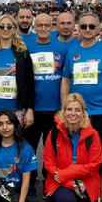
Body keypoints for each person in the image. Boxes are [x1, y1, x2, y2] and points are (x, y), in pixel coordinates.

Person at [61, 13, 102, 200]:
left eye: (91, 26)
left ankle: (97, 195)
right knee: (76, 153)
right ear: (78, 28)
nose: (87, 30)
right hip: (75, 114)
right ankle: (77, 190)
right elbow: (65, 81)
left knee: (98, 156)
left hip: (100, 112)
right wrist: (64, 109)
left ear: (97, 30)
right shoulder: (72, 52)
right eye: (84, 26)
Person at [43, 93, 102, 202]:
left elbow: (94, 165)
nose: (73, 113)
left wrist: (68, 173)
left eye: (77, 110)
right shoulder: (54, 133)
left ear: (83, 113)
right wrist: (65, 178)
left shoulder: (93, 135)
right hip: (61, 182)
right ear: (63, 112)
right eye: (69, 109)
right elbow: (48, 162)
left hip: (85, 184)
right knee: (66, 200)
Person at [23, 13, 69, 170]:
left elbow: (66, 79)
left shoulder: (62, 49)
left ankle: (51, 180)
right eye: (40, 25)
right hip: (33, 109)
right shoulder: (26, 48)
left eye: (47, 25)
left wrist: (64, 107)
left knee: (54, 150)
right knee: (30, 149)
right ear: (34, 27)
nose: (43, 29)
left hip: (55, 109)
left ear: (52, 27)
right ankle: (30, 183)